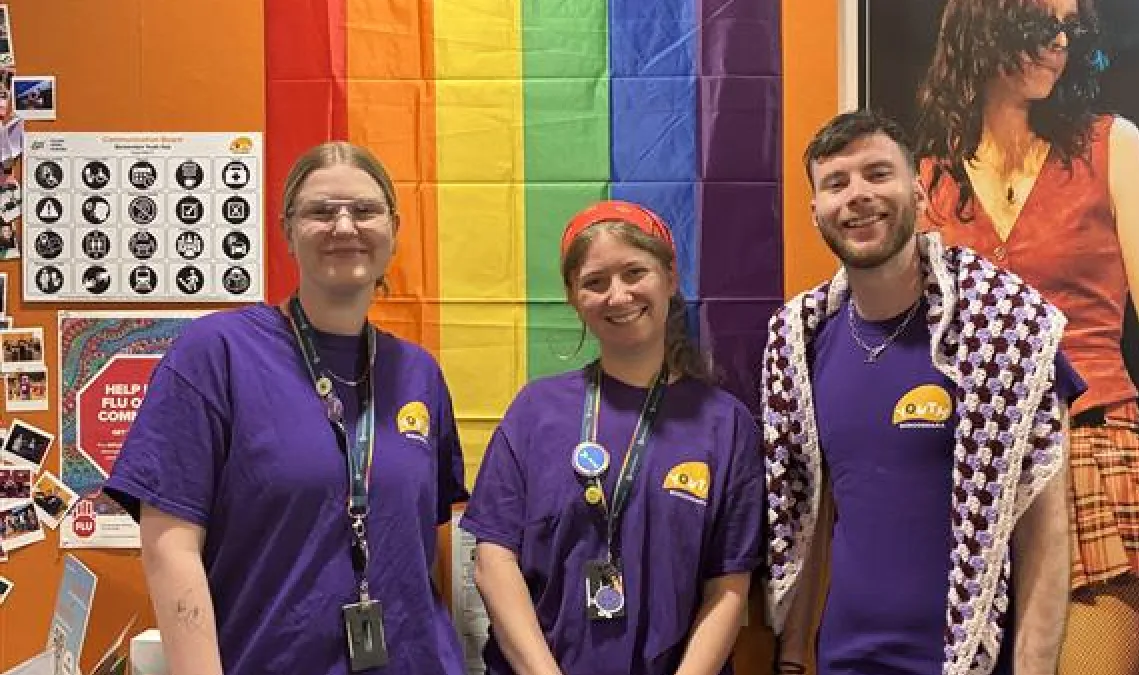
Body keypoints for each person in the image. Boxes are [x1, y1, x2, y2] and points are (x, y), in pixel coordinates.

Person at [104, 141, 470, 675]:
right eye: (321, 211)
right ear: (287, 231)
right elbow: (169, 548)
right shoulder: (215, 354)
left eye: (364, 210)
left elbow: (417, 552)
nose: (344, 226)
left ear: (392, 229)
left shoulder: (419, 374)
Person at [914, 1, 1139, 672]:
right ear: (980, 27)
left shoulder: (1110, 143)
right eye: (1039, 24)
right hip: (974, 471)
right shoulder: (930, 177)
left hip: (1094, 453)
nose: (1058, 43)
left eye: (1070, 27)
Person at [764, 110, 1086, 675]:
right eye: (836, 183)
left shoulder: (1006, 331)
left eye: (877, 174)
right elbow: (809, 515)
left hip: (970, 663)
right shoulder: (799, 345)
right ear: (815, 210)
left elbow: (1046, 533)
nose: (858, 196)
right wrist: (792, 656)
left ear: (917, 186)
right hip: (844, 661)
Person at [461, 200, 763, 675]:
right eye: (595, 282)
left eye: (634, 273)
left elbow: (729, 585)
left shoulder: (726, 424)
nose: (618, 296)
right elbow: (493, 561)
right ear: (573, 297)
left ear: (669, 276)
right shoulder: (534, 412)